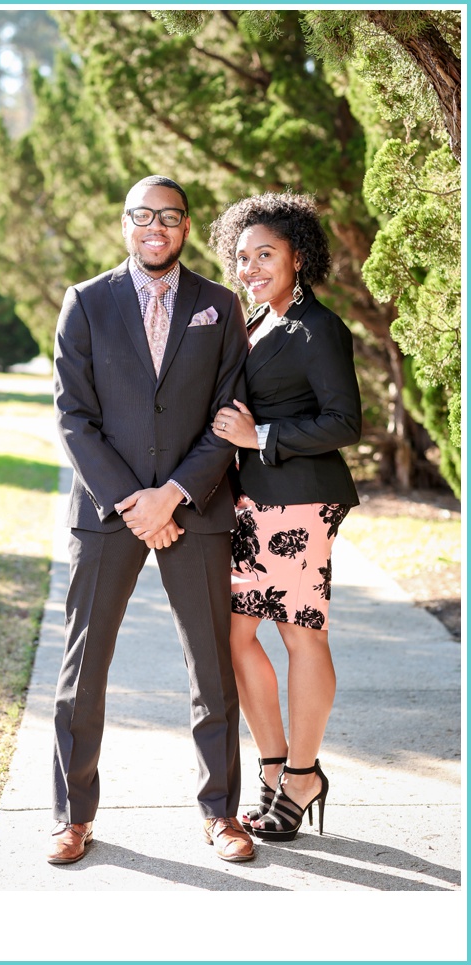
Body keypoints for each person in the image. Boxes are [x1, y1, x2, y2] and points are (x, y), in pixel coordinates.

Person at [50, 175, 254, 865]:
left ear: (187, 226)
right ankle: (72, 815)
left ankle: (221, 811)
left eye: (169, 216)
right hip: (110, 512)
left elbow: (228, 416)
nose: (155, 227)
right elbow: (73, 417)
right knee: (85, 664)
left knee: (212, 666)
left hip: (193, 510)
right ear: (125, 223)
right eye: (143, 215)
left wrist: (173, 494)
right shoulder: (85, 301)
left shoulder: (219, 306)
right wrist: (136, 501)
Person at [208, 193, 361, 842]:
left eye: (265, 255)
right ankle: (274, 767)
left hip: (299, 502)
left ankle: (302, 774)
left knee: (301, 636)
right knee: (239, 637)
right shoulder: (258, 321)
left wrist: (258, 435)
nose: (251, 267)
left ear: (298, 256)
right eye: (242, 257)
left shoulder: (315, 328)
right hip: (255, 505)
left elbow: (344, 421)